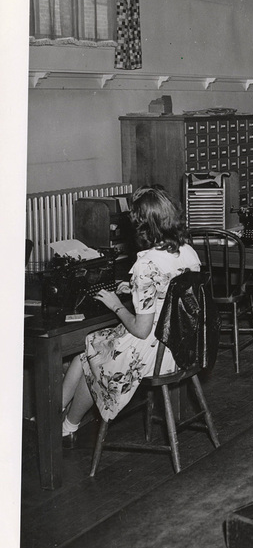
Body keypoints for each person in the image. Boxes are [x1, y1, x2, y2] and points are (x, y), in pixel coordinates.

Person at [60, 185, 201, 445]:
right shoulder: (187, 251)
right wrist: (136, 288)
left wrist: (116, 304)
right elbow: (169, 292)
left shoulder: (146, 264)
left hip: (155, 352)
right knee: (89, 349)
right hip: (183, 345)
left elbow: (141, 329)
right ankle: (60, 419)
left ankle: (66, 423)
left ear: (143, 226)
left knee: (92, 347)